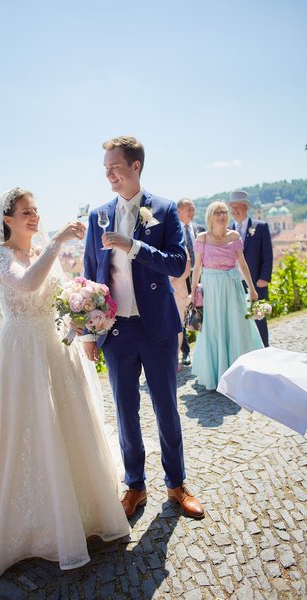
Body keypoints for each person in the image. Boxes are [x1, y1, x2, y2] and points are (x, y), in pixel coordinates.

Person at [0, 187, 129, 579]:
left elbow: (57, 296)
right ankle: (28, 524)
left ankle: (80, 511)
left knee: (65, 424)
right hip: (21, 352)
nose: (34, 217)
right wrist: (59, 240)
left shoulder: (40, 253)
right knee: (27, 428)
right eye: (26, 212)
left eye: (36, 210)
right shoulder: (0, 256)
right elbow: (26, 284)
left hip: (53, 346)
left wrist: (85, 303)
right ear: (7, 219)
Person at [82, 136, 205, 520]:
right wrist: (89, 332)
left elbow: (178, 265)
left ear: (135, 167)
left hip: (158, 328)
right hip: (116, 330)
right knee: (126, 410)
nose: (108, 174)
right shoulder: (98, 215)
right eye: (105, 168)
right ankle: (134, 486)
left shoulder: (165, 210)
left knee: (166, 407)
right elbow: (89, 274)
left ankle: (176, 484)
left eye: (114, 166)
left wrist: (132, 245)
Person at [191, 201, 264, 390]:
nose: (221, 215)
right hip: (212, 288)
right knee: (214, 328)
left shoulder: (234, 236)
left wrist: (252, 288)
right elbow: (197, 267)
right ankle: (217, 375)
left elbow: (242, 263)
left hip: (233, 287)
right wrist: (192, 292)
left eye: (224, 212)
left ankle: (240, 374)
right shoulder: (202, 238)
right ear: (210, 216)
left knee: (237, 326)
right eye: (217, 212)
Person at [228, 190, 273, 346]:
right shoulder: (228, 230)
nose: (234, 211)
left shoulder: (260, 227)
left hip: (256, 282)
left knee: (259, 317)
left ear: (245, 207)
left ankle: (264, 349)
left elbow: (267, 254)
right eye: (232, 207)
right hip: (235, 283)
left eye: (237, 207)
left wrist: (264, 278)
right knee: (239, 319)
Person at [175, 198, 205, 365]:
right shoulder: (173, 232)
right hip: (181, 280)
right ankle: (185, 352)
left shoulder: (200, 230)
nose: (192, 213)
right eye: (189, 210)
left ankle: (203, 349)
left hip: (200, 277)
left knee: (201, 311)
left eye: (193, 209)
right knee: (183, 314)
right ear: (179, 211)